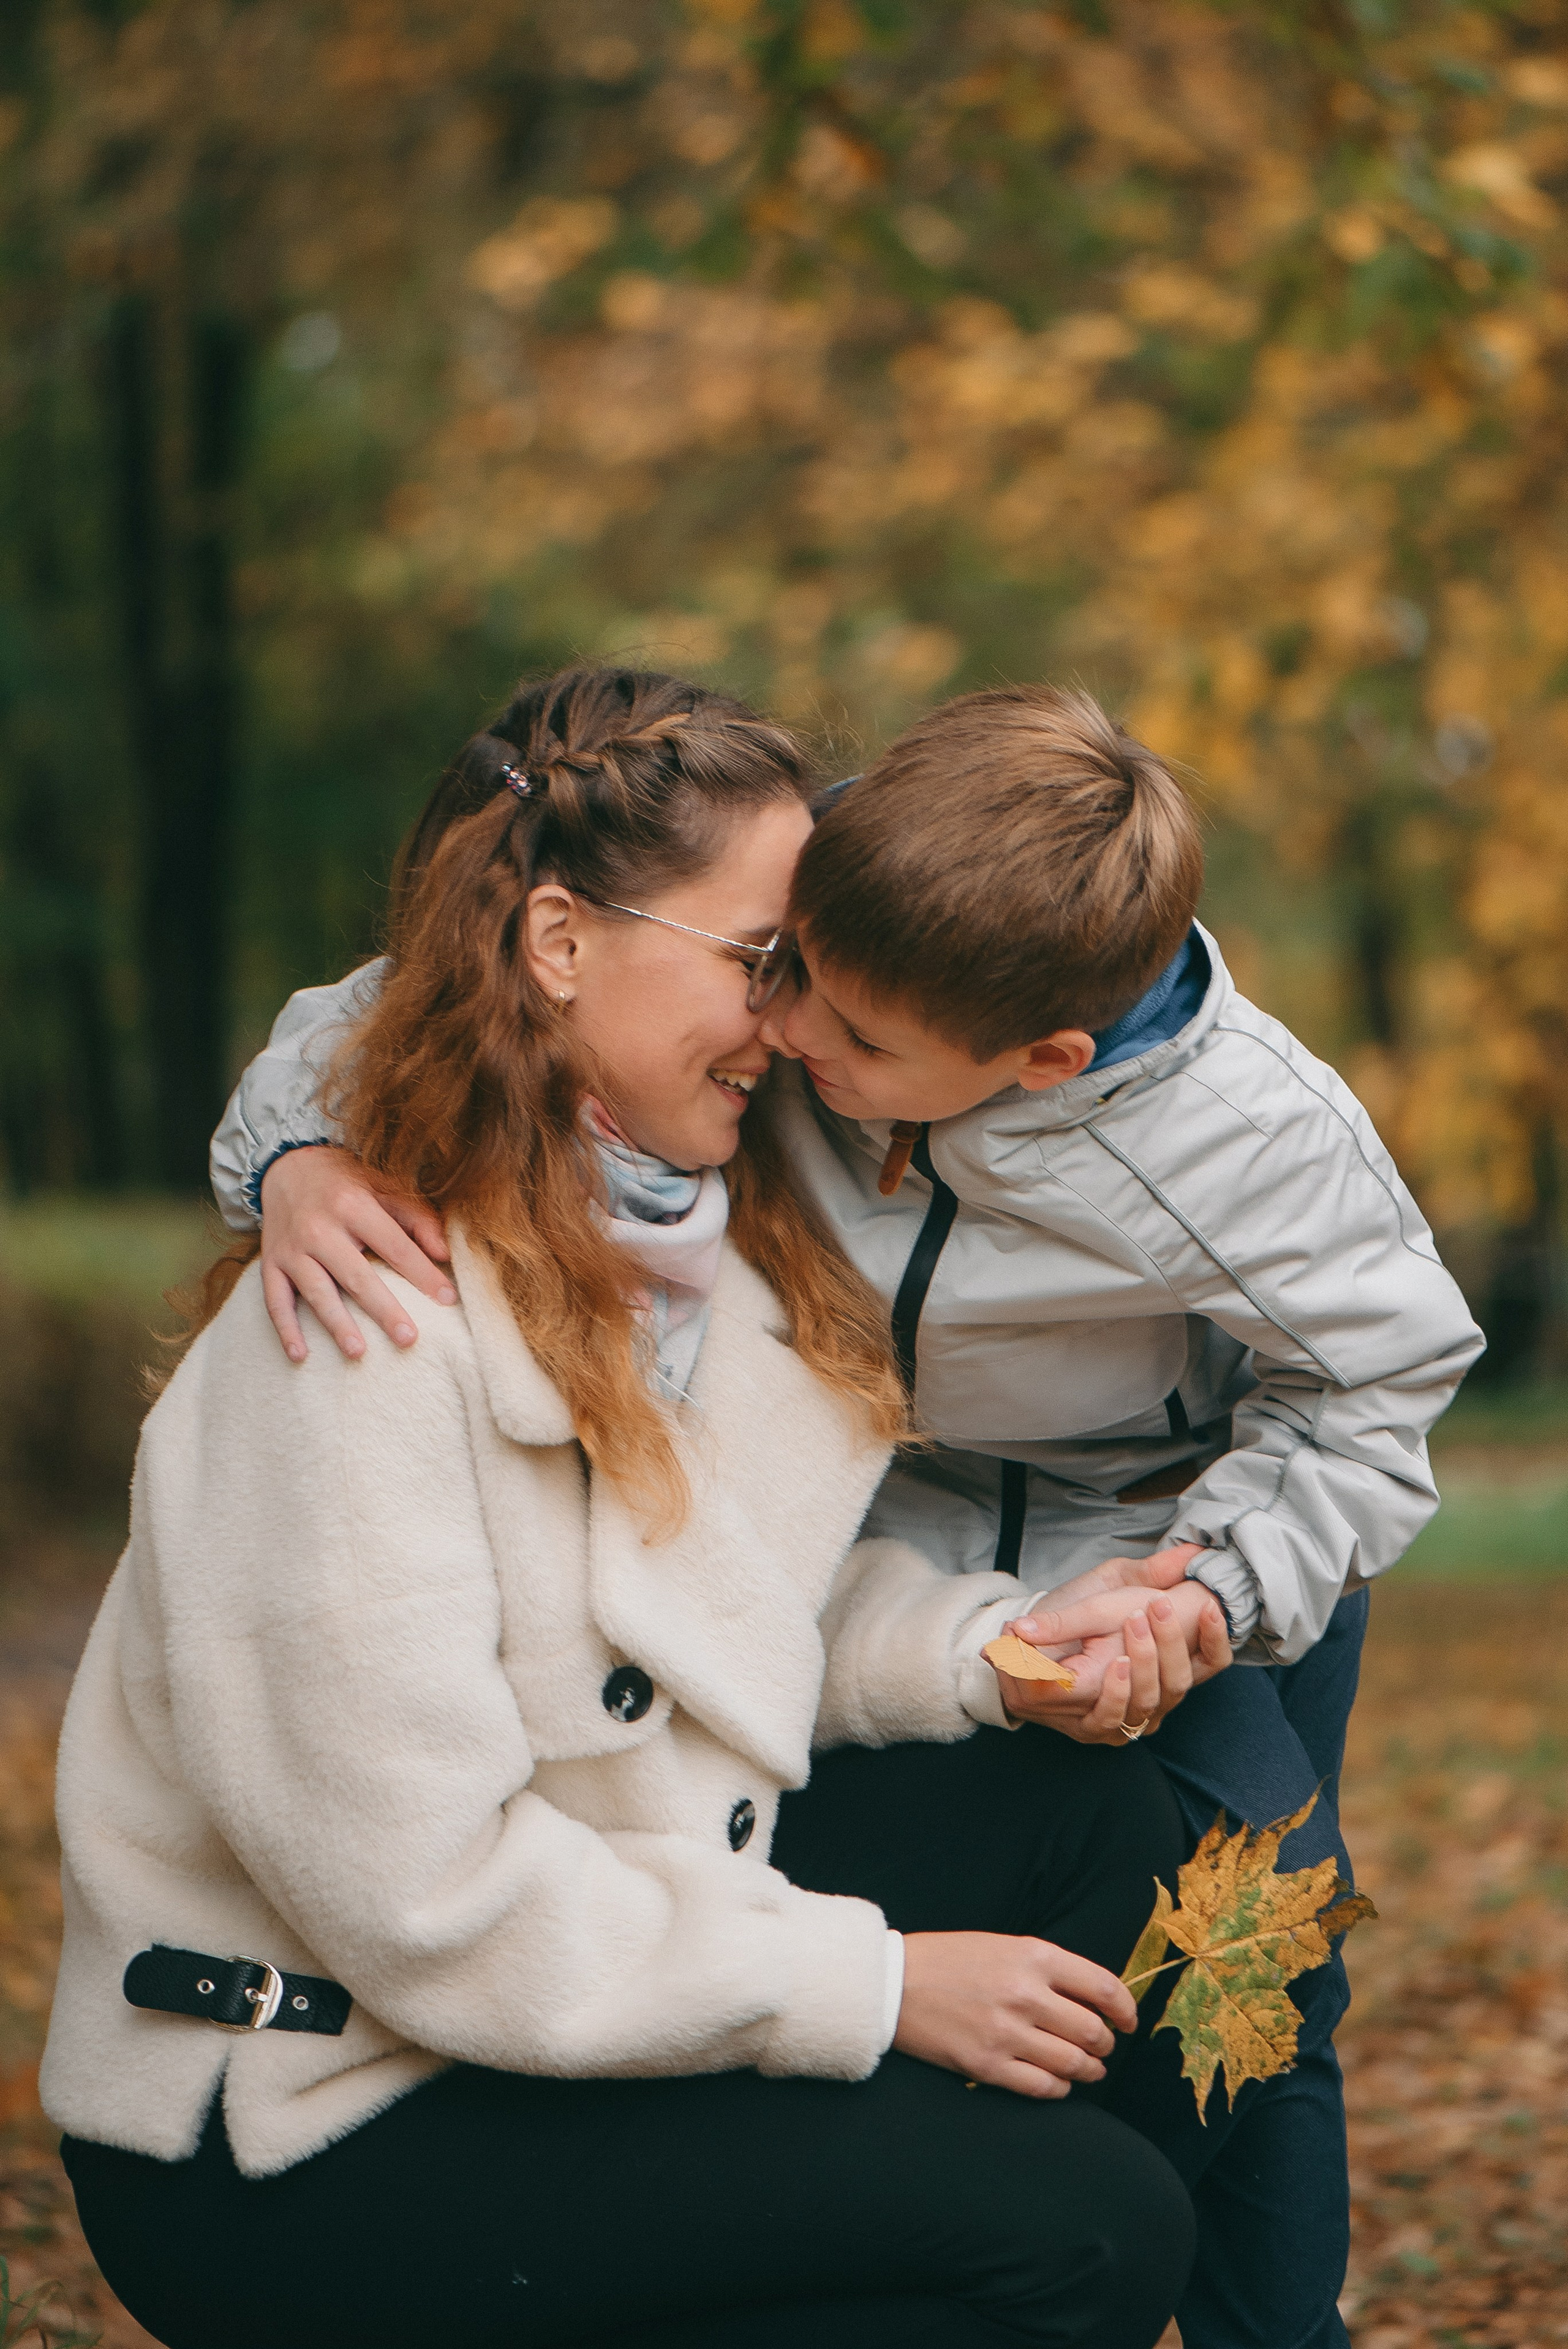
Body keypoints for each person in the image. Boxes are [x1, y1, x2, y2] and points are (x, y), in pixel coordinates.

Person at [228, 680, 1484, 2349]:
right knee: (929, 1885)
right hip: (870, 1531)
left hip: (1172, 1535)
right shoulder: (841, 915)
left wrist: (1214, 1593)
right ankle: (964, 2242)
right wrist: (299, 1149)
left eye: (861, 1044)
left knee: (1255, 1942)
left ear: (1040, 1060)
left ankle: (1264, 2323)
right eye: (790, 976)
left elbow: (1377, 1387)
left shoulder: (1257, 1140)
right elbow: (425, 986)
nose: (794, 1041)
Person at [43, 668, 1197, 2349]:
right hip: (311, 2107)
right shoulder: (357, 1326)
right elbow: (432, 1900)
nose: (795, 1016)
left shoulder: (681, 1244)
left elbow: (705, 1610)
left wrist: (995, 1646)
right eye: (761, 959)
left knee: (1100, 1830)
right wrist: (875, 1986)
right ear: (561, 944)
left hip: (559, 1956)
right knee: (1088, 2235)